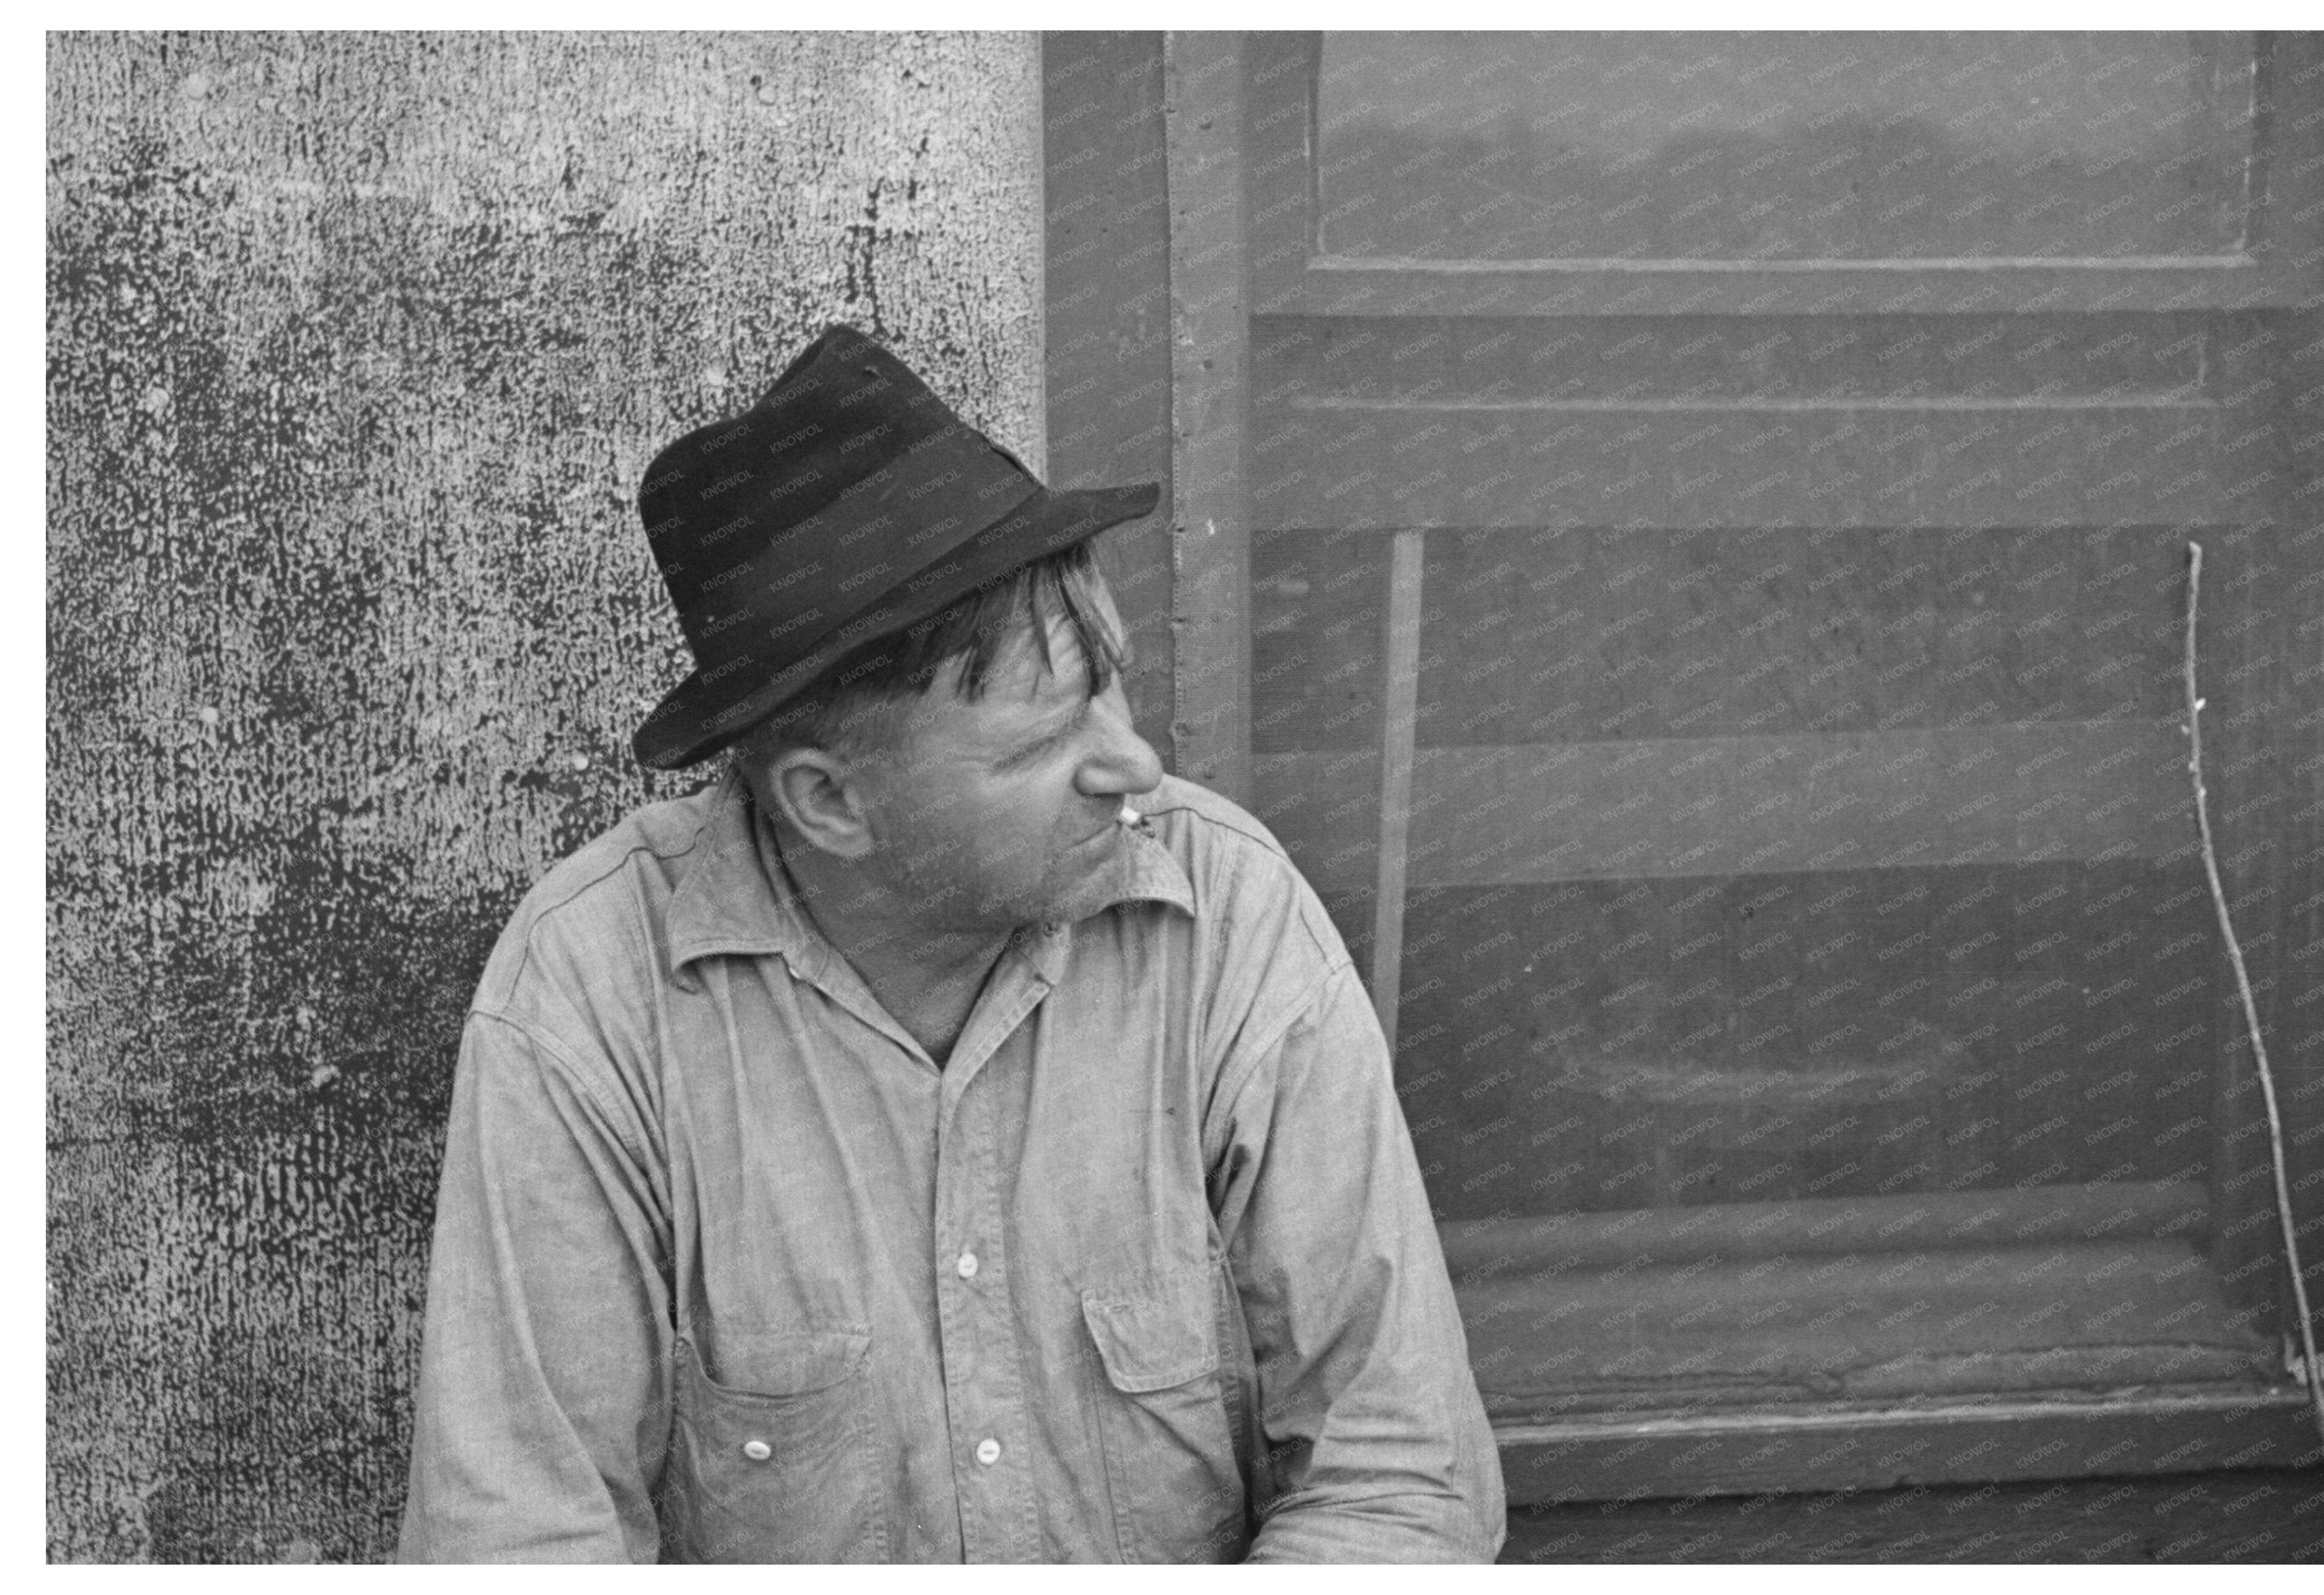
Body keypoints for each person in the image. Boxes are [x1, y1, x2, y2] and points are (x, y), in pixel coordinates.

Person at [396, 326, 1505, 1563]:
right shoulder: (592, 993)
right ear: (830, 804)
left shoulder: (1226, 913)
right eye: (1040, 744)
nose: (1131, 763)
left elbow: (1399, 1472)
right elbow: (524, 1541)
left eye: (1112, 687)